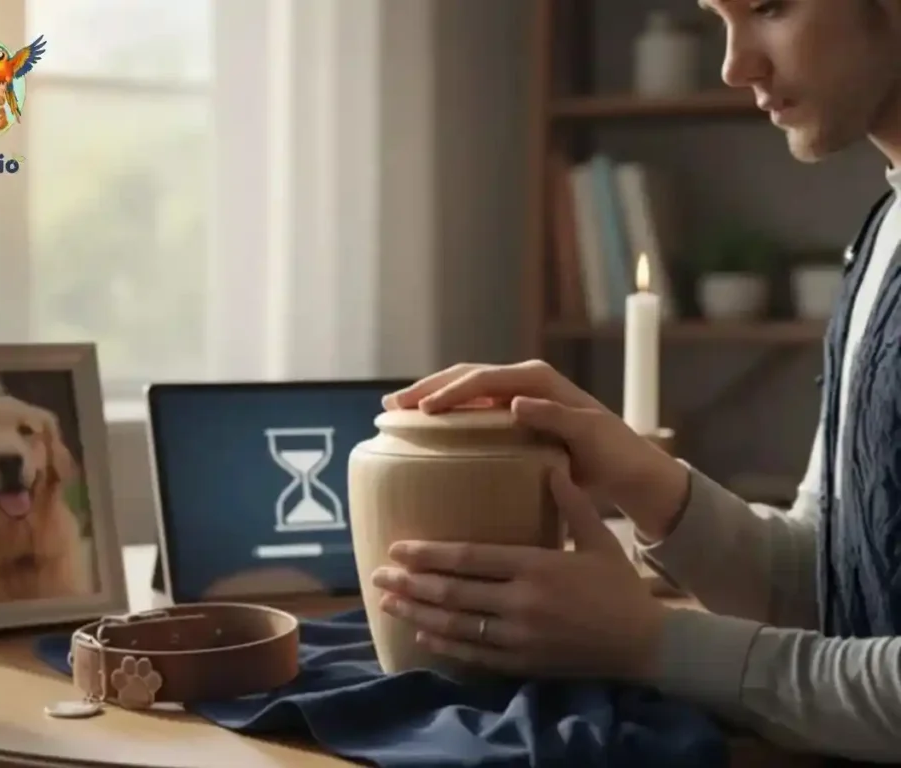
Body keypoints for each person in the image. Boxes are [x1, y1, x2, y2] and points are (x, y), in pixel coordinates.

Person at [371, 0, 901, 763]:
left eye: (771, 7)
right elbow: (827, 584)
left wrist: (652, 643)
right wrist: (639, 474)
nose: (733, 66)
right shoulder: (882, 233)